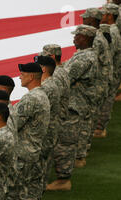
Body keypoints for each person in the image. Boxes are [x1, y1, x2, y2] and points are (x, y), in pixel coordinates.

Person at [13, 63, 50, 200]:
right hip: (33, 148)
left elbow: (14, 123)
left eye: (23, 74)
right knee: (25, 187)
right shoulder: (41, 95)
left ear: (32, 77)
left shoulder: (31, 99)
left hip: (24, 150)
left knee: (15, 190)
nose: (20, 76)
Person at [41, 44, 77, 192]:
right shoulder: (61, 72)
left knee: (45, 157)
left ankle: (40, 190)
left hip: (54, 120)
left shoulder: (55, 76)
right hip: (59, 117)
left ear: (51, 57)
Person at [64, 25, 99, 170]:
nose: (74, 38)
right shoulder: (83, 54)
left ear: (85, 38)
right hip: (79, 100)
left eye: (77, 36)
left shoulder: (85, 58)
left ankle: (73, 162)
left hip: (77, 101)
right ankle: (77, 157)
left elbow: (67, 76)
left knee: (71, 134)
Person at [81, 8, 114, 155]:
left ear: (93, 20)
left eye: (86, 18)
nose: (83, 20)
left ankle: (82, 150)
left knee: (88, 117)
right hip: (99, 81)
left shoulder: (96, 39)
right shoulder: (99, 36)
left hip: (96, 84)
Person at [96, 3, 121, 138]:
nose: (102, 15)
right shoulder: (112, 30)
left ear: (109, 15)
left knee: (106, 101)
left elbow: (108, 55)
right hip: (113, 72)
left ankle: (99, 128)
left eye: (104, 13)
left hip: (111, 73)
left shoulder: (112, 32)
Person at [33, 55, 61, 195]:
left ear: (43, 69)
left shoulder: (46, 87)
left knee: (37, 169)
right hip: (49, 131)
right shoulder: (50, 84)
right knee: (42, 165)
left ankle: (36, 199)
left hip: (44, 133)